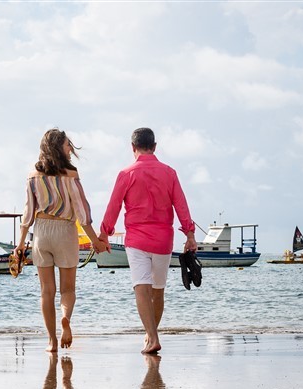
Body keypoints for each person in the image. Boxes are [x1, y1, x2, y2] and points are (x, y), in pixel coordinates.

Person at [98, 127, 197, 354]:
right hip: (163, 240)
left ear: (133, 148)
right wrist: (190, 234)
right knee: (158, 290)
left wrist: (104, 235)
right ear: (154, 147)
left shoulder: (126, 174)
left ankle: (152, 336)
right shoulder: (169, 173)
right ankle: (151, 335)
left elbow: (113, 206)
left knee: (141, 288)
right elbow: (181, 205)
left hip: (137, 241)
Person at [16, 129, 107, 352]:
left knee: (46, 291)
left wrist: (20, 244)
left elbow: (28, 212)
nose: (70, 149)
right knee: (67, 289)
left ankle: (51, 341)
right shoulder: (71, 174)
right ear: (58, 147)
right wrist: (94, 240)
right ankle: (65, 318)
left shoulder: (33, 175)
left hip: (41, 232)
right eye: (68, 145)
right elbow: (81, 211)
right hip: (65, 231)